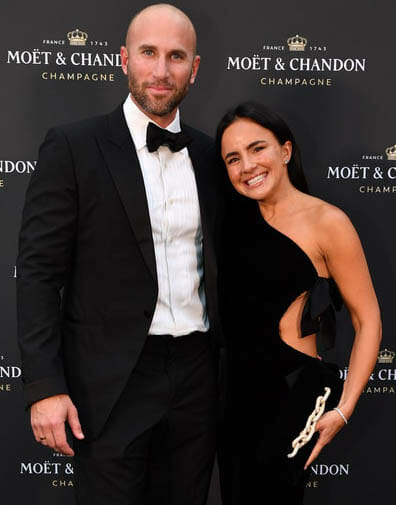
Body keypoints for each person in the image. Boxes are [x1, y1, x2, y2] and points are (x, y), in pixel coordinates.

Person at [16, 4, 223, 505]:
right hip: (111, 382)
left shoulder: (211, 153)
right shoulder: (73, 146)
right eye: (148, 53)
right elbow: (40, 273)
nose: (160, 70)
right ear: (123, 59)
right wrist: (45, 386)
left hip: (199, 374)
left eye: (176, 56)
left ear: (194, 69)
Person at [216, 102, 381, 504]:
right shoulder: (232, 224)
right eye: (233, 158)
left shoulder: (328, 222)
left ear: (285, 151)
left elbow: (368, 317)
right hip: (234, 395)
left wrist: (344, 409)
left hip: (293, 393)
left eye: (258, 149)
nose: (247, 166)